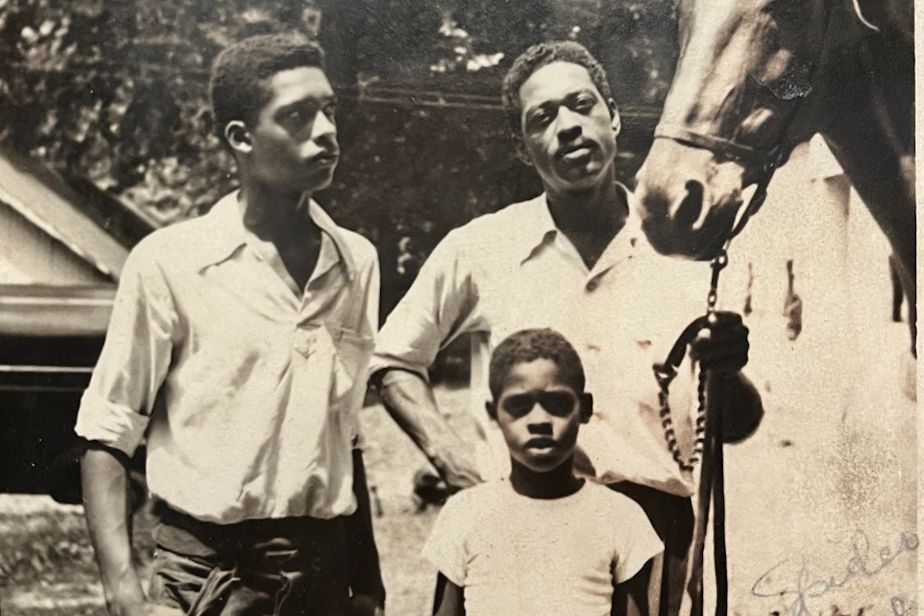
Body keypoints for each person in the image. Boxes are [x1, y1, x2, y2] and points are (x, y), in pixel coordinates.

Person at [370, 41, 763, 615]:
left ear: (614, 116)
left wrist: (727, 369)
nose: (568, 127)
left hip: (652, 543)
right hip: (521, 534)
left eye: (581, 105)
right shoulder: (481, 248)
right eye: (543, 117)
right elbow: (393, 361)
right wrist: (455, 463)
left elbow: (739, 424)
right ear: (522, 147)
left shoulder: (686, 252)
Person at [77, 33, 384, 616]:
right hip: (202, 579)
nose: (325, 131)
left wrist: (368, 585)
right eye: (297, 116)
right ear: (241, 138)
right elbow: (107, 434)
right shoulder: (171, 262)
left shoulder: (356, 262)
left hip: (320, 579)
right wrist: (122, 588)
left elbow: (346, 438)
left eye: (329, 110)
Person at [423, 329, 664, 616]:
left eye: (557, 404)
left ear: (584, 409)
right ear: (492, 413)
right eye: (519, 406)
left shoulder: (620, 517)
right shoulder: (465, 513)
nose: (539, 420)